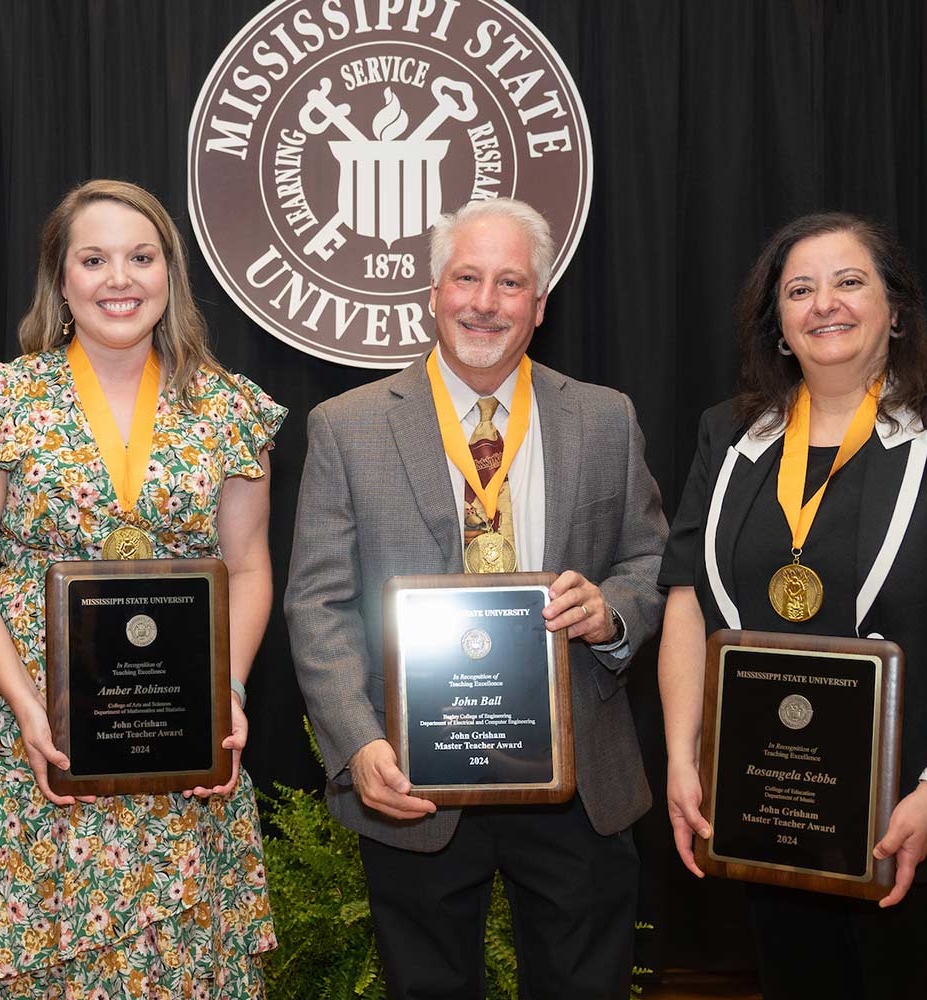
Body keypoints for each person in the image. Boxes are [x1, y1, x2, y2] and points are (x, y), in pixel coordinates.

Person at [657, 212, 927, 1000]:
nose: (825, 305)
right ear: (778, 323)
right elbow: (685, 601)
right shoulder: (730, 435)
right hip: (776, 803)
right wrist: (684, 755)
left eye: (850, 282)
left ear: (896, 309)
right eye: (800, 290)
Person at [0, 179, 282, 998]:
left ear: (170, 275)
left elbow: (249, 566)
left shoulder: (229, 411)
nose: (120, 278)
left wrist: (232, 691)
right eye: (95, 258)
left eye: (142, 258)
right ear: (62, 279)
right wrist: (28, 708)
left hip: (177, 736)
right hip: (21, 730)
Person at [284, 198, 669, 999]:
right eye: (467, 278)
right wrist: (359, 746)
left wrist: (613, 611)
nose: (485, 303)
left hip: (576, 776)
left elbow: (648, 557)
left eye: (510, 283)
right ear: (432, 292)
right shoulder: (346, 426)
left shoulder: (604, 417)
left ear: (540, 302)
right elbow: (317, 606)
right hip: (412, 778)